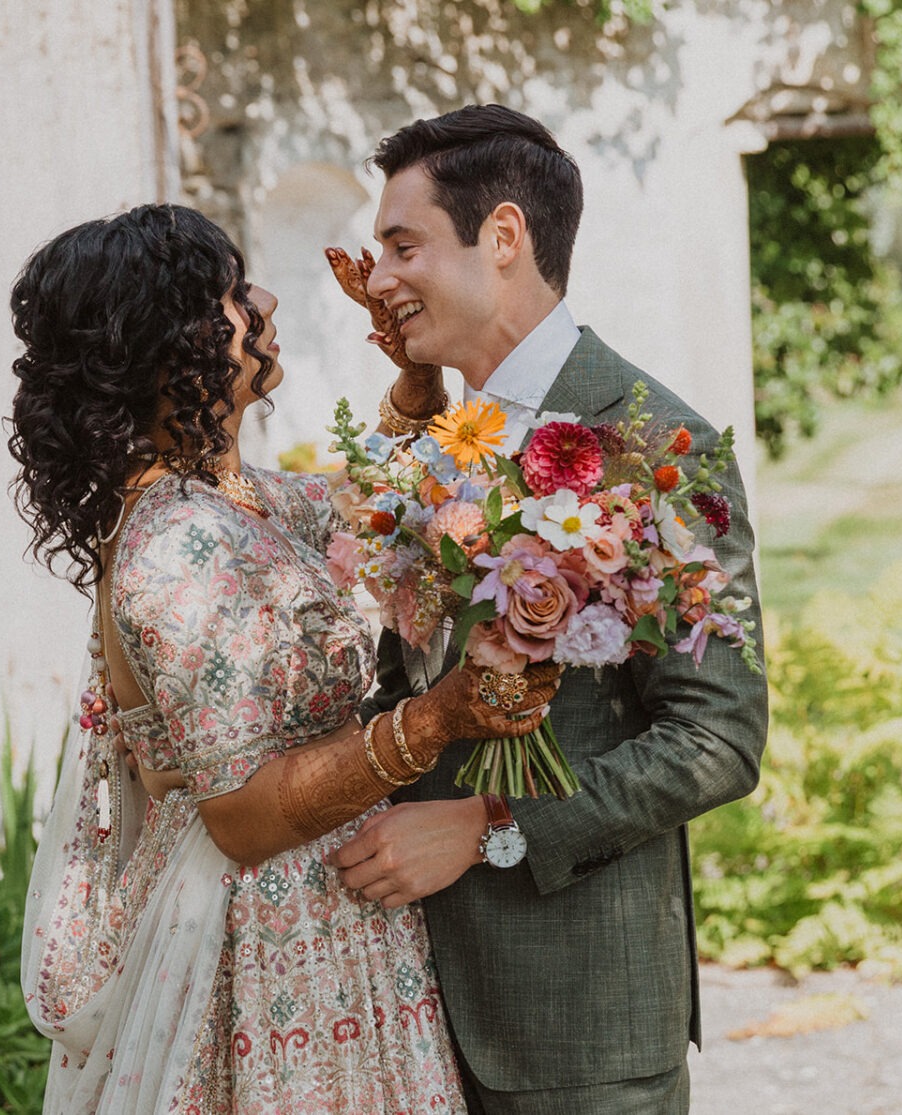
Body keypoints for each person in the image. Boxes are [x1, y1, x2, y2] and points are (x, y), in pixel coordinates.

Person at [9, 203, 559, 1113]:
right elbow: (240, 816)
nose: (262, 301)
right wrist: (438, 717)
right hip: (267, 940)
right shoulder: (180, 542)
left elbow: (384, 504)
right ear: (166, 345)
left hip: (323, 910)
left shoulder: (227, 499)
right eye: (230, 294)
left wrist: (417, 373)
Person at [328, 105, 770, 1113]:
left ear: (503, 237)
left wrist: (489, 825)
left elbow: (719, 736)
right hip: (404, 1007)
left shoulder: (660, 447)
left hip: (580, 1029)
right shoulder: (440, 442)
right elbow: (407, 674)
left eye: (403, 246)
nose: (379, 278)